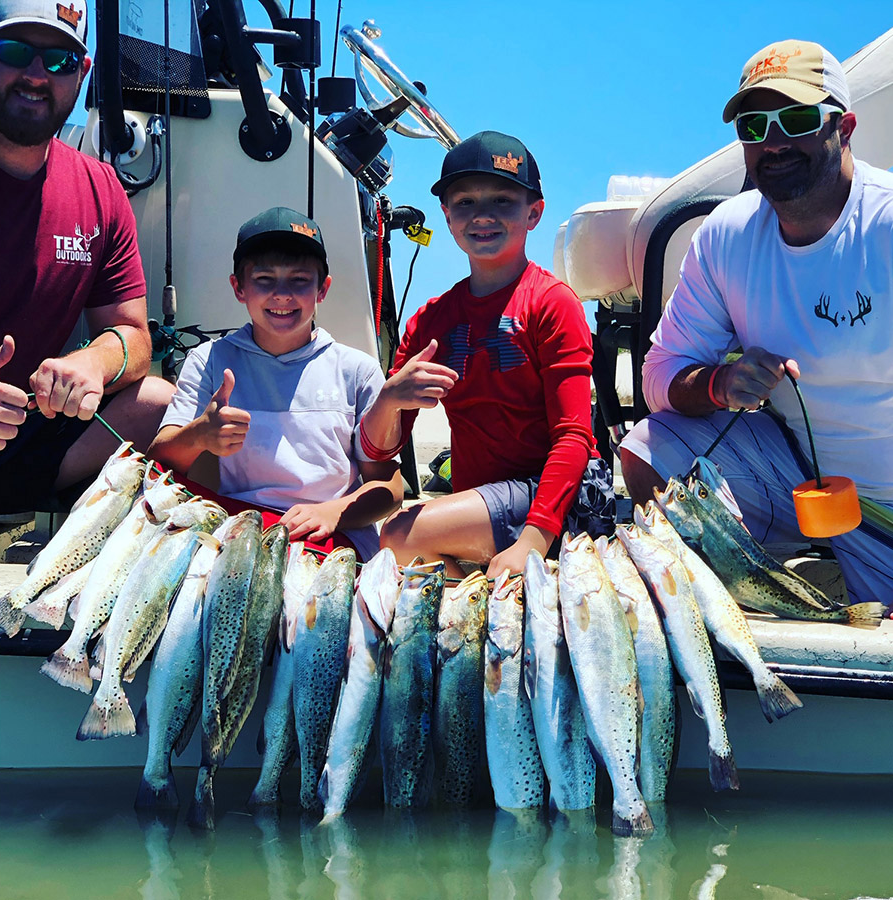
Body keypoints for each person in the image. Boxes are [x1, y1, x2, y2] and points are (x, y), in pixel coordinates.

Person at [620, 39, 893, 607]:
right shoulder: (726, 234)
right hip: (799, 476)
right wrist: (720, 385)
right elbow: (659, 375)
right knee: (649, 448)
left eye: (794, 118)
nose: (772, 141)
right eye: (752, 124)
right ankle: (738, 604)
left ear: (843, 127)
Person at [360, 130, 615, 578]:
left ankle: (502, 576)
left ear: (534, 213)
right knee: (405, 549)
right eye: (465, 203)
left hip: (566, 499)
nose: (482, 216)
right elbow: (381, 451)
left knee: (399, 537)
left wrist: (533, 542)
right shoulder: (430, 320)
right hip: (490, 504)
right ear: (446, 214)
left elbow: (574, 437)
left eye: (502, 201)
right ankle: (485, 593)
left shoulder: (553, 302)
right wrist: (389, 399)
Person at [0, 0, 174, 513]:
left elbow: (135, 336)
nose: (35, 75)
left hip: (27, 438)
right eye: (14, 50)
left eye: (59, 62)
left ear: (82, 74)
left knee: (158, 402)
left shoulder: (100, 188)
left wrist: (93, 362)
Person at [148, 206, 403, 561]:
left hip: (334, 539)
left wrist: (332, 513)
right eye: (264, 279)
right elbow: (159, 460)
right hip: (238, 531)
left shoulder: (357, 370)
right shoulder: (208, 360)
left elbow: (389, 486)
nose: (282, 294)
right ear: (239, 288)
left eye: (299, 280)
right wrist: (200, 435)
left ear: (322, 289)